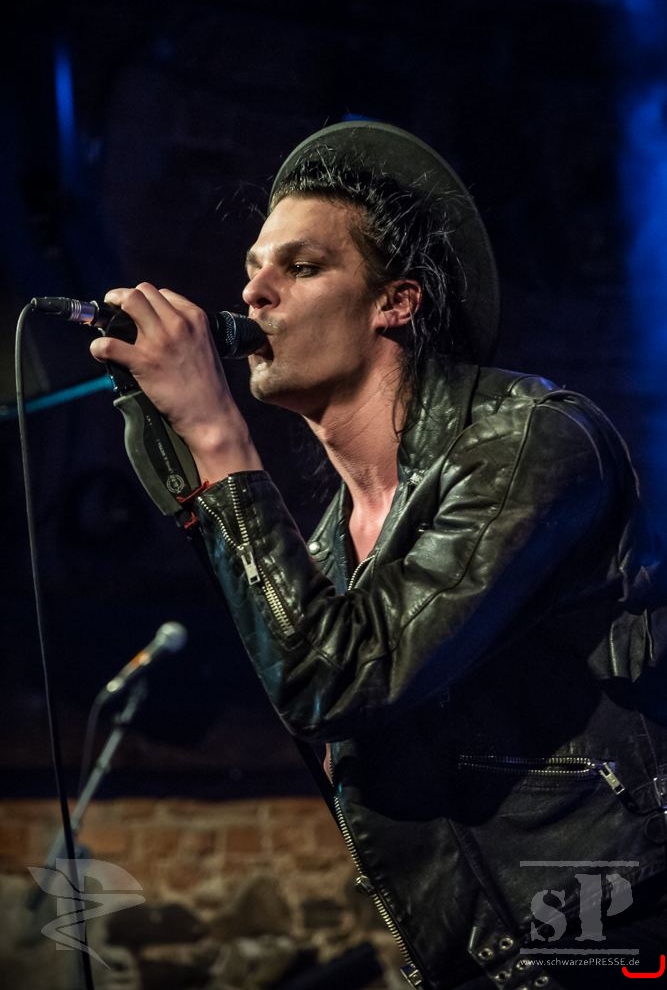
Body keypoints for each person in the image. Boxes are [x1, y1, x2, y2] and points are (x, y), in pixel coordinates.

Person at [89, 121, 667, 990]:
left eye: (300, 267)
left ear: (395, 302)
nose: (253, 293)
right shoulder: (326, 549)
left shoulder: (528, 443)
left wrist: (215, 435)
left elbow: (343, 678)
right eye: (252, 267)